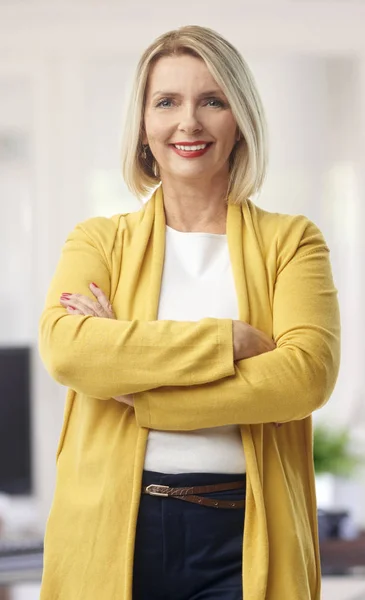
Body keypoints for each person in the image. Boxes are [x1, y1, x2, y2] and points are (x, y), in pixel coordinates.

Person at [38, 25, 340, 600]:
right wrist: (227, 341)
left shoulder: (293, 242)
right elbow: (69, 348)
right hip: (113, 528)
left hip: (243, 533)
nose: (189, 123)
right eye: (167, 101)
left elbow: (304, 377)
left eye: (212, 100)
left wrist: (142, 394)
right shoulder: (97, 241)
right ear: (144, 126)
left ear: (240, 119)